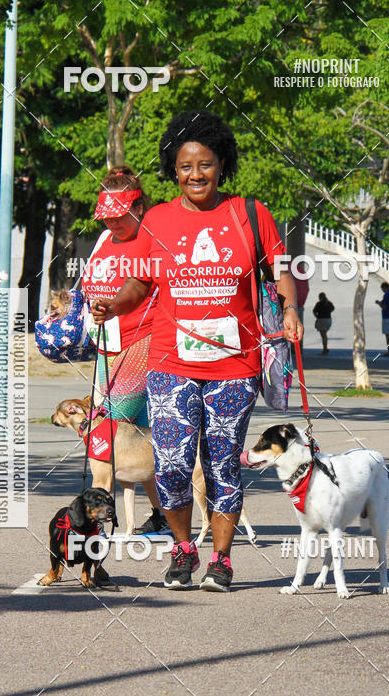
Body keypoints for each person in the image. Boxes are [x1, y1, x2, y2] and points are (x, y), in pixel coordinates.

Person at [91, 109, 303, 593]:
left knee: (223, 461)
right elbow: (140, 281)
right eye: (185, 166)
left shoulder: (251, 213)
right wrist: (112, 304)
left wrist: (290, 308)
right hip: (170, 364)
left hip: (234, 366)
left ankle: (222, 561)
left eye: (205, 164)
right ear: (173, 169)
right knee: (171, 463)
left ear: (222, 164)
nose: (195, 175)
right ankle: (184, 550)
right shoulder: (158, 220)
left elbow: (280, 270)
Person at [82, 166, 167, 535]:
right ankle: (162, 513)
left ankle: (98, 520)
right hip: (107, 345)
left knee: (109, 430)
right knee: (131, 435)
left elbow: (148, 288)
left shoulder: (151, 236)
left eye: (120, 216)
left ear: (138, 206)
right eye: (108, 217)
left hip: (140, 342)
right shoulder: (103, 241)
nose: (113, 223)